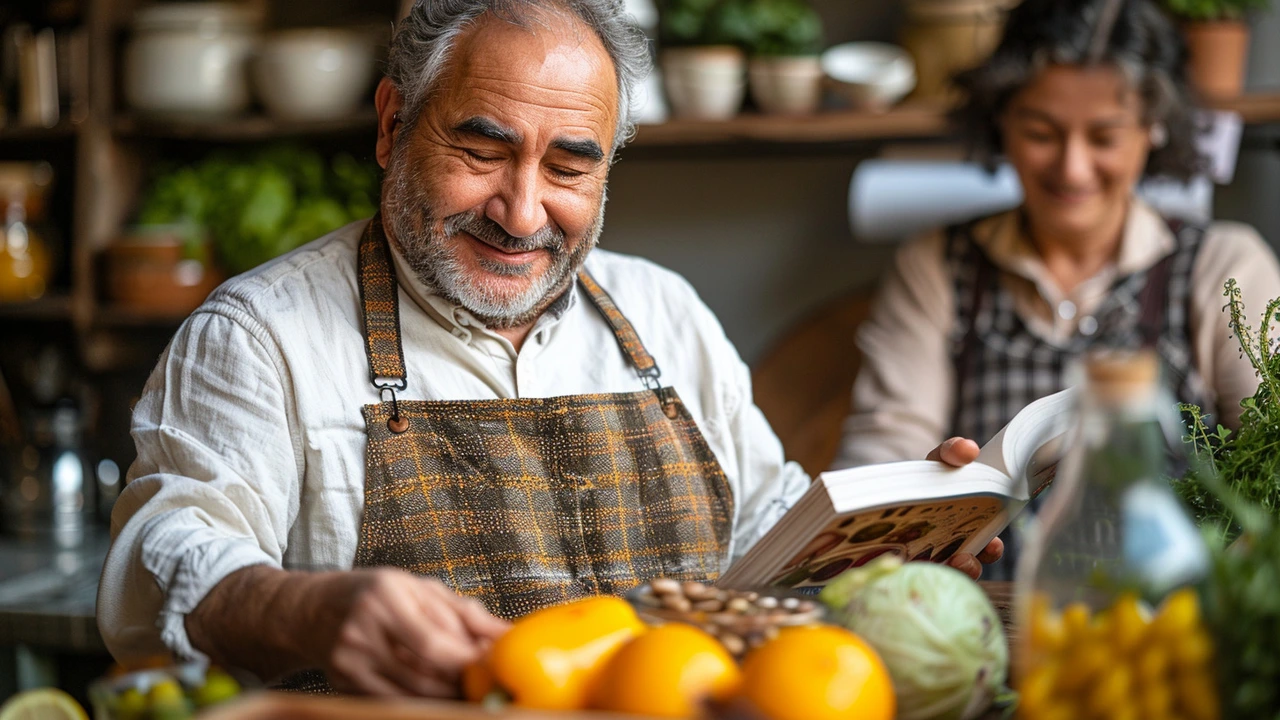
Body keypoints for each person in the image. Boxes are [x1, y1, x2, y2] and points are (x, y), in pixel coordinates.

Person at [98, 0, 998, 698]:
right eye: (482, 149)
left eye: (569, 168)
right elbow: (158, 557)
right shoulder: (261, 336)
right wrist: (296, 608)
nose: (522, 212)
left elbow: (768, 560)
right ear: (390, 126)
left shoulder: (667, 316)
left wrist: (893, 555)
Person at [836, 0, 1280, 474]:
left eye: (1104, 137)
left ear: (1153, 128)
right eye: (1040, 133)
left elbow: (1267, 470)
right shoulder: (937, 265)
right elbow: (881, 453)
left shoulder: (1224, 267)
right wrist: (911, 491)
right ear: (1001, 120)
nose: (1072, 169)